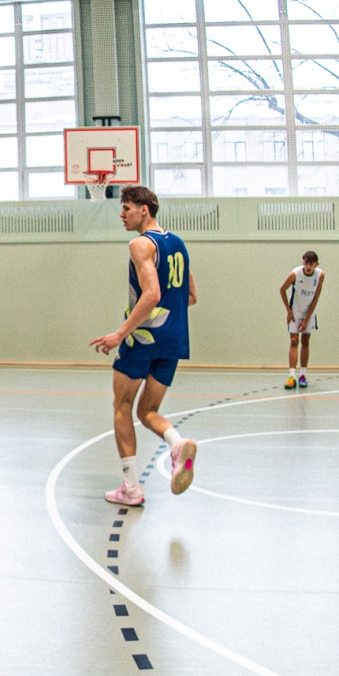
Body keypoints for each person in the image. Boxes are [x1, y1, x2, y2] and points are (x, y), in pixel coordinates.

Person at [88, 185, 197, 505]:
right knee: (147, 411)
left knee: (122, 407)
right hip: (174, 337)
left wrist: (120, 334)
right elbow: (191, 296)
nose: (121, 215)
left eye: (126, 208)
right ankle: (177, 444)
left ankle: (131, 487)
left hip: (145, 336)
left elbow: (152, 294)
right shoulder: (177, 243)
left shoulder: (140, 244)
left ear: (144, 210)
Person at [279, 250, 323, 390]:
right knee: (294, 340)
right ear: (303, 262)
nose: (308, 266)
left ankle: (303, 375)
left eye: (311, 264)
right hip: (295, 310)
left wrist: (307, 319)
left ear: (316, 264)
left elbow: (316, 298)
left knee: (305, 340)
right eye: (306, 263)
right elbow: (282, 290)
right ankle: (292, 376)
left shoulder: (320, 275)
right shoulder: (295, 274)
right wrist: (289, 311)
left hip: (309, 311)